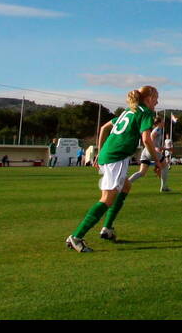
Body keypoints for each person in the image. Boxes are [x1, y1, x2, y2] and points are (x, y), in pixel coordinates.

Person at [64, 86, 159, 252]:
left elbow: (103, 129)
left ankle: (107, 229)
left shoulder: (128, 111)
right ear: (149, 98)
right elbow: (146, 139)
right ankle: (76, 237)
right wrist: (157, 161)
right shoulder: (146, 113)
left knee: (126, 187)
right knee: (107, 198)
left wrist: (99, 153)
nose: (157, 102)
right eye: (156, 98)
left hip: (108, 154)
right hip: (117, 157)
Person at [128, 113, 165, 187]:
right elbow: (151, 136)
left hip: (145, 151)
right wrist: (155, 147)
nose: (164, 122)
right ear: (159, 122)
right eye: (163, 121)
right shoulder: (158, 129)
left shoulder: (158, 129)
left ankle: (126, 183)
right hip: (150, 150)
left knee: (142, 172)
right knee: (165, 165)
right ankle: (164, 187)